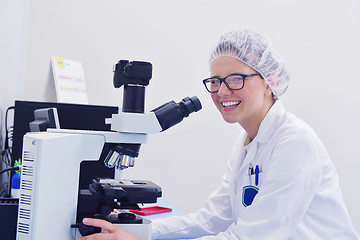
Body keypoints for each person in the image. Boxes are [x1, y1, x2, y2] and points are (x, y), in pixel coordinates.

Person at [79, 29, 359, 240]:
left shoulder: (294, 142)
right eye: (215, 81)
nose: (222, 91)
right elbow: (214, 217)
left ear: (268, 82)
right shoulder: (247, 141)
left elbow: (249, 238)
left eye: (235, 79)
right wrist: (140, 231)